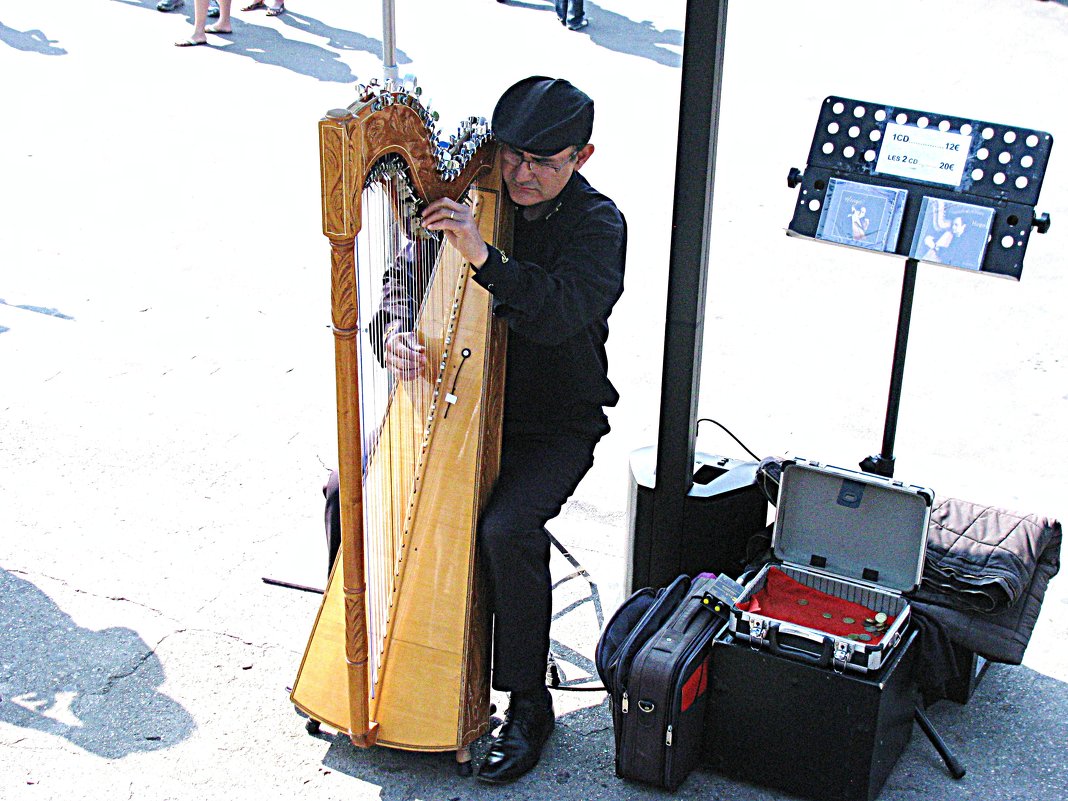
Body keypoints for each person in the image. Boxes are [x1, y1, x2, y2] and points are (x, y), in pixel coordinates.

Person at [323, 76, 626, 784]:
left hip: (551, 423)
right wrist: (393, 331)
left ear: (581, 157)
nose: (522, 174)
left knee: (505, 529)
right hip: (453, 400)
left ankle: (527, 702)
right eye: (513, 156)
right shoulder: (471, 197)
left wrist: (483, 256)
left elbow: (557, 313)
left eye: (543, 163)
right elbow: (402, 278)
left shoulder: (597, 225)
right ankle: (356, 656)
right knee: (346, 488)